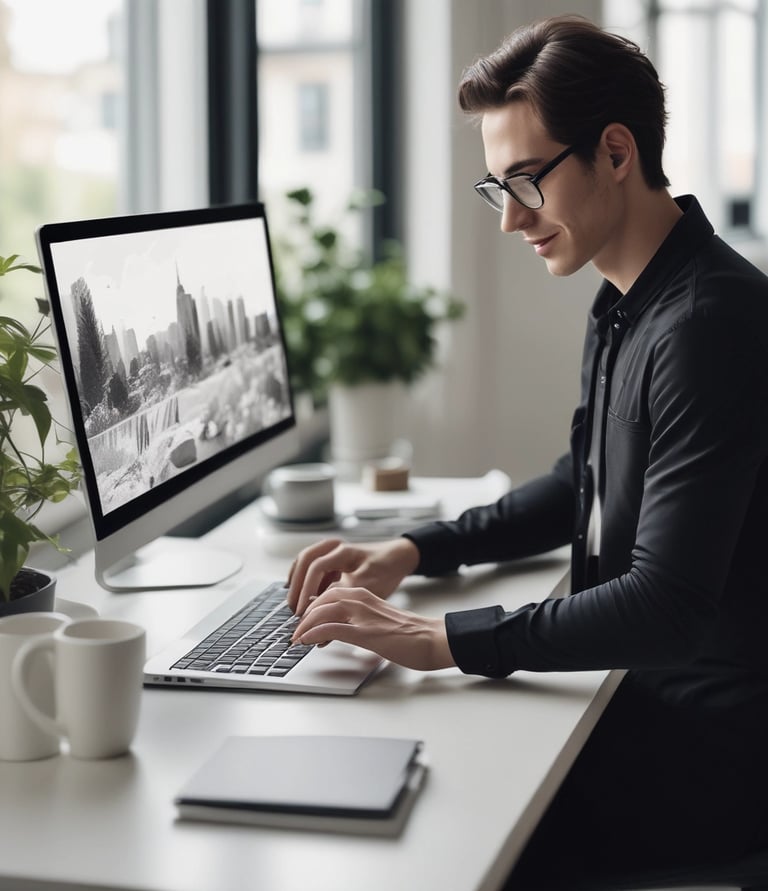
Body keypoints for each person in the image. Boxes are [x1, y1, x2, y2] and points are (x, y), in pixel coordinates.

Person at [288, 15, 768, 890]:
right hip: (646, 702)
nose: (510, 219)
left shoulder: (710, 324)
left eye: (526, 182)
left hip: (712, 756)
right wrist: (416, 550)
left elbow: (667, 605)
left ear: (615, 153)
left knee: (432, 823)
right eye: (494, 188)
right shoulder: (627, 298)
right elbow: (575, 483)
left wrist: (439, 640)